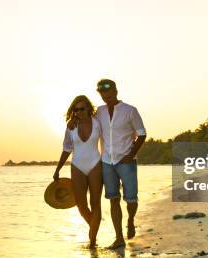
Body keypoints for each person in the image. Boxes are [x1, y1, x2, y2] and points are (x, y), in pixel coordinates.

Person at [69, 79, 146, 249]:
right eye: (102, 93)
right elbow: (85, 118)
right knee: (113, 200)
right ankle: (119, 238)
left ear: (116, 91)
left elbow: (142, 134)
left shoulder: (130, 111)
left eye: (108, 91)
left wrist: (131, 154)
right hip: (106, 162)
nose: (106, 95)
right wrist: (74, 120)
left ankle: (131, 220)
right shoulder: (99, 113)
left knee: (131, 199)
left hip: (126, 161)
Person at [53, 95, 103, 249]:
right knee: (81, 205)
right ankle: (94, 225)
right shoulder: (71, 126)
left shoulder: (97, 122)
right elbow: (67, 148)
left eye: (81, 109)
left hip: (95, 164)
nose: (79, 112)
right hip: (77, 166)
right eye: (76, 110)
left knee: (96, 204)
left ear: (88, 108)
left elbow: (109, 140)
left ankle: (92, 240)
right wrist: (57, 169)